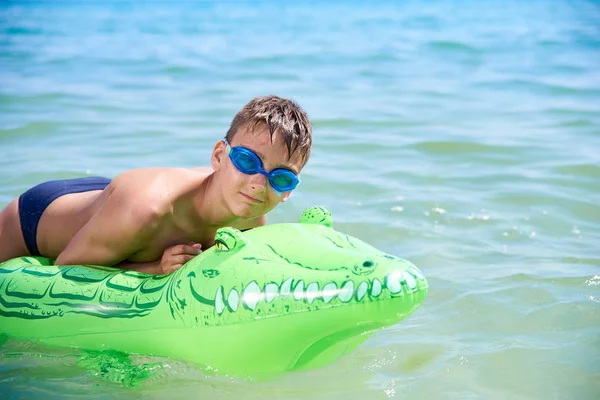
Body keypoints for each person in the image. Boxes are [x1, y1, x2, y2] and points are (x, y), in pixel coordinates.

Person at [0, 95, 312, 274]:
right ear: (219, 156)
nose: (259, 184)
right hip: (34, 219)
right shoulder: (147, 209)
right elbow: (66, 267)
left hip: (108, 202)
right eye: (247, 161)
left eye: (281, 177)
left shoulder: (251, 217)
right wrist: (154, 269)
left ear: (289, 191)